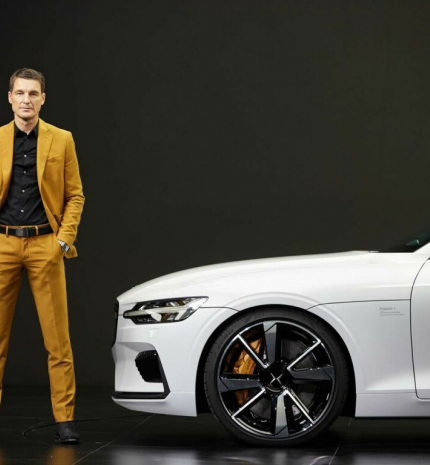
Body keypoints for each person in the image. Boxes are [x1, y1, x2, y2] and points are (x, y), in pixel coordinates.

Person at [0, 68, 84, 444]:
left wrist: (63, 241)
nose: (26, 100)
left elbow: (75, 194)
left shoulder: (61, 139)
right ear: (10, 97)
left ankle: (64, 420)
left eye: (33, 94)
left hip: (44, 245)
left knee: (57, 342)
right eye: (20, 93)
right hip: (2, 245)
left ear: (43, 99)